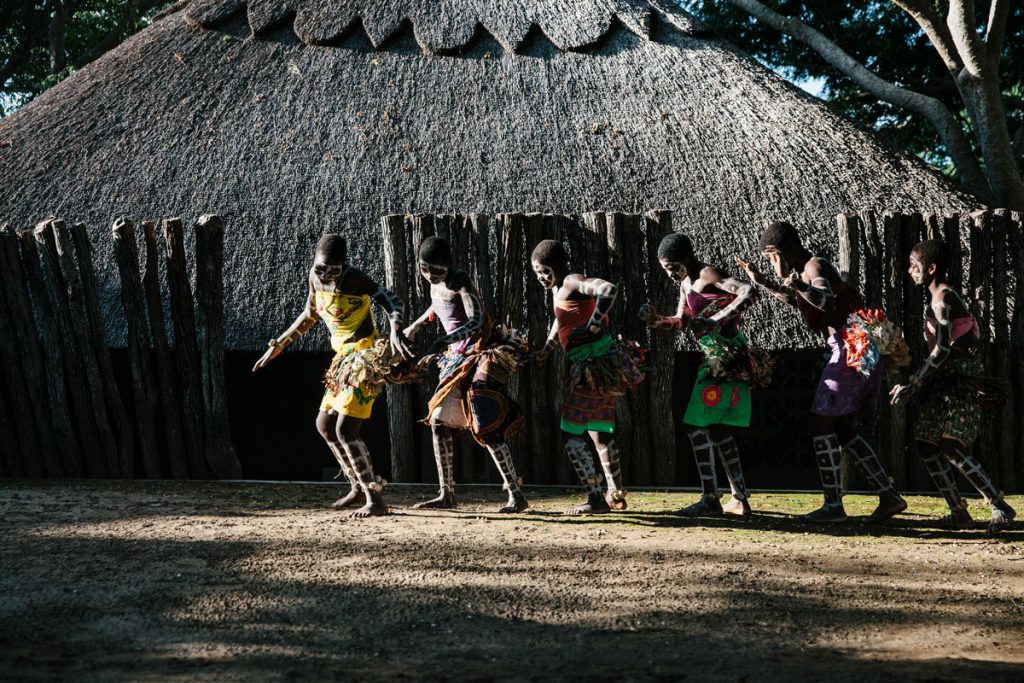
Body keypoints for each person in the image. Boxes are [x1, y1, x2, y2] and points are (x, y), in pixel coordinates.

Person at [737, 221, 906, 523]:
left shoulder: (815, 266)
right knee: (844, 430)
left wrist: (794, 281)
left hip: (850, 347)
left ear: (782, 251)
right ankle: (888, 496)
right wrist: (764, 281)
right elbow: (798, 299)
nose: (771, 263)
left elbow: (825, 302)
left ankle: (833, 506)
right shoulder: (804, 273)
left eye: (770, 258)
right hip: (852, 348)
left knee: (820, 424)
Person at [253, 233, 412, 518]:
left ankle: (374, 499)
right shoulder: (314, 278)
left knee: (346, 430)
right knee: (325, 425)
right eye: (320, 268)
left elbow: (392, 300)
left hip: (363, 357)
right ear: (314, 262)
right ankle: (356, 486)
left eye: (332, 270)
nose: (326, 274)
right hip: (342, 359)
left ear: (344, 265)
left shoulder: (353, 279)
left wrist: (396, 329)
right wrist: (279, 345)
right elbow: (310, 314)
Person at [890, 240, 1015, 533]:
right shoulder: (935, 299)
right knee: (925, 445)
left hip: (962, 378)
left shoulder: (943, 298)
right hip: (944, 380)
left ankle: (999, 505)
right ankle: (958, 511)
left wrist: (914, 382)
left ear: (931, 268)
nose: (910, 271)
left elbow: (944, 349)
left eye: (915, 266)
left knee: (951, 445)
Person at [404, 237, 530, 513]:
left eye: (436, 271)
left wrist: (445, 341)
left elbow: (474, 321)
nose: (430, 276)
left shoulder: (460, 281)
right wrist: (414, 327)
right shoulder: (435, 283)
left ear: (448, 264)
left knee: (485, 422)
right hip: (455, 359)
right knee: (438, 422)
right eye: (425, 270)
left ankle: (516, 494)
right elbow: (438, 306)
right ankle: (446, 494)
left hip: (478, 353)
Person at [641, 233, 762, 517]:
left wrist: (716, 319)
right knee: (718, 429)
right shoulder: (685, 283)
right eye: (665, 268)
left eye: (673, 266)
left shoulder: (709, 273)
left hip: (727, 356)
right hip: (715, 358)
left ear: (687, 257)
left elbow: (749, 292)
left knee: (697, 425)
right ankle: (739, 498)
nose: (670, 272)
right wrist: (656, 321)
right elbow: (682, 322)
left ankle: (710, 498)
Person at [531, 239, 644, 515]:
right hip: (595, 365)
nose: (541, 277)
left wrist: (593, 325)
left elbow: (608, 289)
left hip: (592, 366)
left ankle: (596, 499)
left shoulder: (571, 281)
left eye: (545, 271)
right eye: (536, 273)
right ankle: (614, 495)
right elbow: (562, 319)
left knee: (571, 434)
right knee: (599, 432)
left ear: (558, 266)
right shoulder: (559, 289)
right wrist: (548, 347)